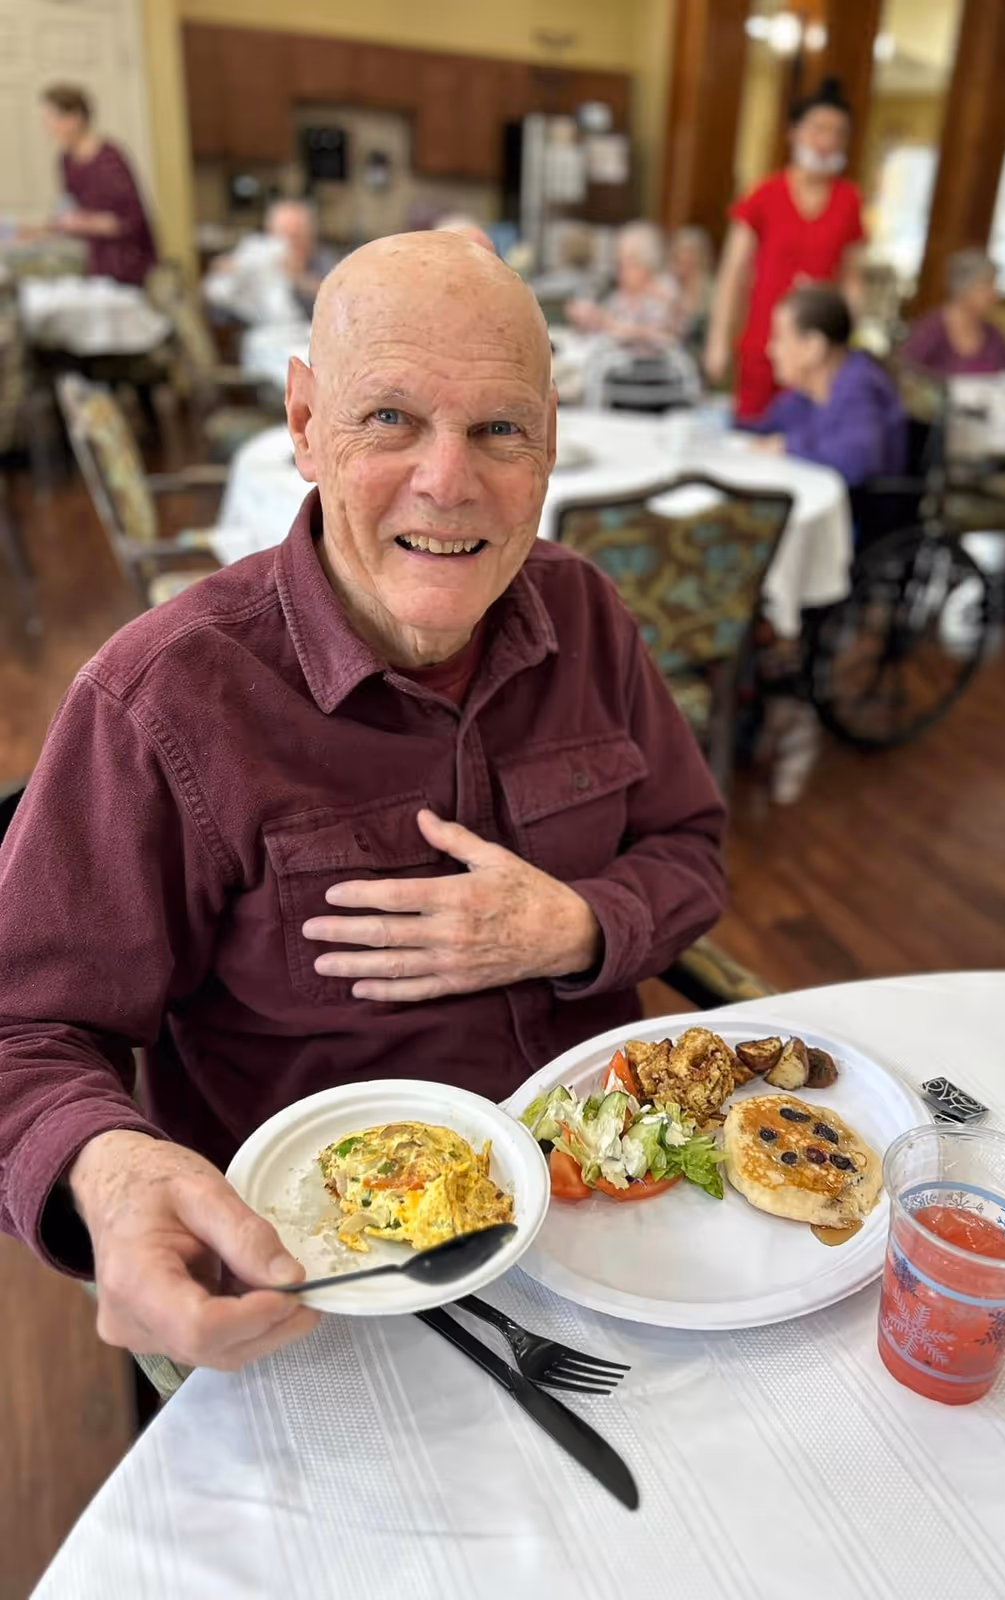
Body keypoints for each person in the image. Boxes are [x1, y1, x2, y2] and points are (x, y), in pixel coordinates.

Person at [0, 233, 726, 1376]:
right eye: (389, 419)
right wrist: (114, 1168)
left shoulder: (586, 614)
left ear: (548, 439)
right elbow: (23, 1029)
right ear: (302, 423)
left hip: (609, 1206)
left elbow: (691, 846)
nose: (448, 481)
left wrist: (576, 925)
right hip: (323, 1280)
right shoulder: (164, 699)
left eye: (499, 428)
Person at [706, 78, 865, 422]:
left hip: (819, 353)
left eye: (838, 133)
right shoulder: (764, 193)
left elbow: (852, 280)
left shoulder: (849, 199)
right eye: (819, 129)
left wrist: (847, 342)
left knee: (807, 443)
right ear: (794, 132)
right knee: (754, 436)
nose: (827, 141)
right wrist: (718, 339)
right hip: (765, 344)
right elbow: (733, 274)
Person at [744, 284, 906, 489]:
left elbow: (857, 460)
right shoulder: (807, 391)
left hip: (856, 515)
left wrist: (787, 446)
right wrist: (721, 422)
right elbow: (768, 428)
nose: (770, 350)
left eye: (779, 338)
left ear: (813, 347)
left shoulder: (860, 386)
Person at [37, 84, 157, 287]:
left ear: (75, 118)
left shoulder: (109, 159)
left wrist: (85, 223)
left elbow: (131, 220)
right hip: (93, 262)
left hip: (126, 262)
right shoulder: (66, 160)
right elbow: (70, 206)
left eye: (53, 118)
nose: (48, 126)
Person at [204, 199, 334, 325]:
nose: (291, 238)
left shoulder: (323, 258)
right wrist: (230, 273)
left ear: (311, 233)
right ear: (271, 232)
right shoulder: (257, 254)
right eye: (285, 231)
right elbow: (220, 308)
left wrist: (298, 278)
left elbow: (335, 297)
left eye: (298, 232)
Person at [901, 250, 1005, 378]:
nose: (994, 295)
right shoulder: (931, 329)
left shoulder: (993, 334)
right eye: (987, 286)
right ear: (963, 287)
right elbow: (904, 371)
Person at [568, 221, 681, 346]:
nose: (619, 272)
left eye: (627, 264)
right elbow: (605, 327)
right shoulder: (622, 294)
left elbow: (664, 337)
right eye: (619, 263)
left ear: (646, 265)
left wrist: (605, 323)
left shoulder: (664, 289)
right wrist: (589, 320)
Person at [668, 226, 714, 354]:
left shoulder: (709, 290)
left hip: (697, 353)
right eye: (679, 251)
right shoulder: (666, 283)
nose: (683, 256)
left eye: (689, 252)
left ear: (700, 256)